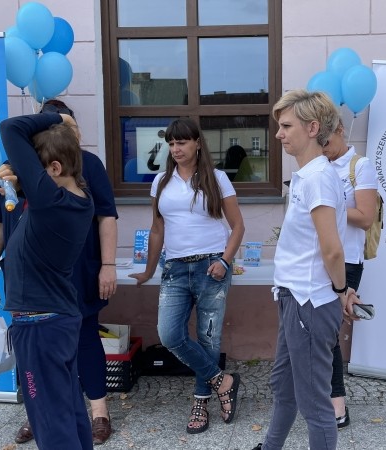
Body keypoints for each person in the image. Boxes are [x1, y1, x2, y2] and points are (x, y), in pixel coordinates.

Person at [0, 100, 119, 445]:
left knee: (49, 419)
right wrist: (18, 184)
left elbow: (10, 127)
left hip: (39, 326)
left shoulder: (49, 200)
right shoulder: (77, 197)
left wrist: (60, 118)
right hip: (57, 320)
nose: (30, 177)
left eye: (35, 171)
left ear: (54, 168)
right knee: (68, 410)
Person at [254, 90, 362, 450]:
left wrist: (339, 291)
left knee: (315, 403)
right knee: (284, 387)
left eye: (286, 126)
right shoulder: (309, 175)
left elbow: (332, 248)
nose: (278, 134)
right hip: (295, 296)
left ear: (313, 128)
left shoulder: (318, 178)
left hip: (310, 302)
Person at [129, 117, 245, 434]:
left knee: (209, 339)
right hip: (175, 268)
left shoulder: (217, 179)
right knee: (169, 335)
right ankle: (223, 381)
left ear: (197, 143)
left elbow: (238, 226)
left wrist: (225, 260)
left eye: (181, 142)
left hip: (211, 267)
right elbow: (157, 229)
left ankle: (200, 401)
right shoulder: (161, 182)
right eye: (171, 143)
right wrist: (149, 270)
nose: (175, 148)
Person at [321, 118, 378, 428]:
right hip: (317, 258)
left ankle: (337, 404)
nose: (323, 149)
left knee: (329, 333)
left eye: (327, 142)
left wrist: (327, 206)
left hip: (346, 260)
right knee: (315, 332)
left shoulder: (360, 166)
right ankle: (318, 396)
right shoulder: (319, 165)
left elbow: (366, 217)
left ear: (340, 131)